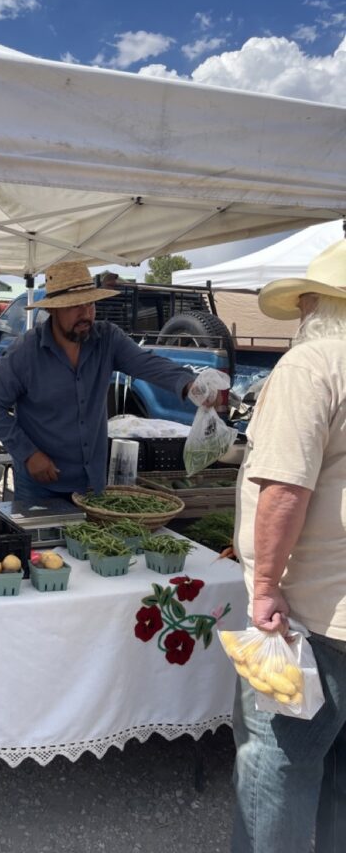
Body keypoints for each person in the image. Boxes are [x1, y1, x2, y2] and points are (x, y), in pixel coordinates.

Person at [232, 238, 346, 852]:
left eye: (305, 303)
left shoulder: (313, 364)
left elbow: (284, 489)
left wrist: (266, 587)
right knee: (342, 769)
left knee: (275, 759)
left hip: (316, 609)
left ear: (319, 305)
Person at [0, 259, 215, 501]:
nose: (86, 314)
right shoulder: (26, 352)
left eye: (90, 304)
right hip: (41, 484)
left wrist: (189, 383)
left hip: (91, 482)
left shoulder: (107, 339)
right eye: (74, 306)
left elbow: (147, 363)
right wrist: (28, 454)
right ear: (53, 309)